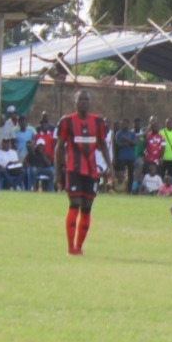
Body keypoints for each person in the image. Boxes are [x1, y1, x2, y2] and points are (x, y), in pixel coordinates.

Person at [54, 90, 113, 255]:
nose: (84, 102)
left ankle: (79, 247)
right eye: (81, 99)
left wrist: (110, 167)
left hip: (91, 172)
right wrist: (57, 173)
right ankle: (70, 247)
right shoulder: (66, 122)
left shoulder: (98, 122)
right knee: (75, 204)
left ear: (90, 102)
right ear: (75, 101)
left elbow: (102, 145)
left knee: (87, 208)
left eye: (87, 99)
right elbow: (59, 148)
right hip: (73, 170)